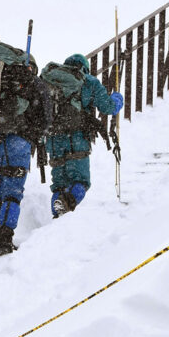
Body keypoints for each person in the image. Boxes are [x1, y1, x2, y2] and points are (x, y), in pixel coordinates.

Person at [0, 53, 51, 257]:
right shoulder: (32, 84)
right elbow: (45, 116)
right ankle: (4, 238)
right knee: (13, 189)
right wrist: (34, 134)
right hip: (17, 138)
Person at [45, 54, 124, 217]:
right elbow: (107, 107)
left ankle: (57, 216)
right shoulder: (88, 81)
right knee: (81, 181)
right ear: (84, 67)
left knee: (59, 185)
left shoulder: (50, 79)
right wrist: (117, 99)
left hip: (53, 139)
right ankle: (64, 206)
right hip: (76, 139)